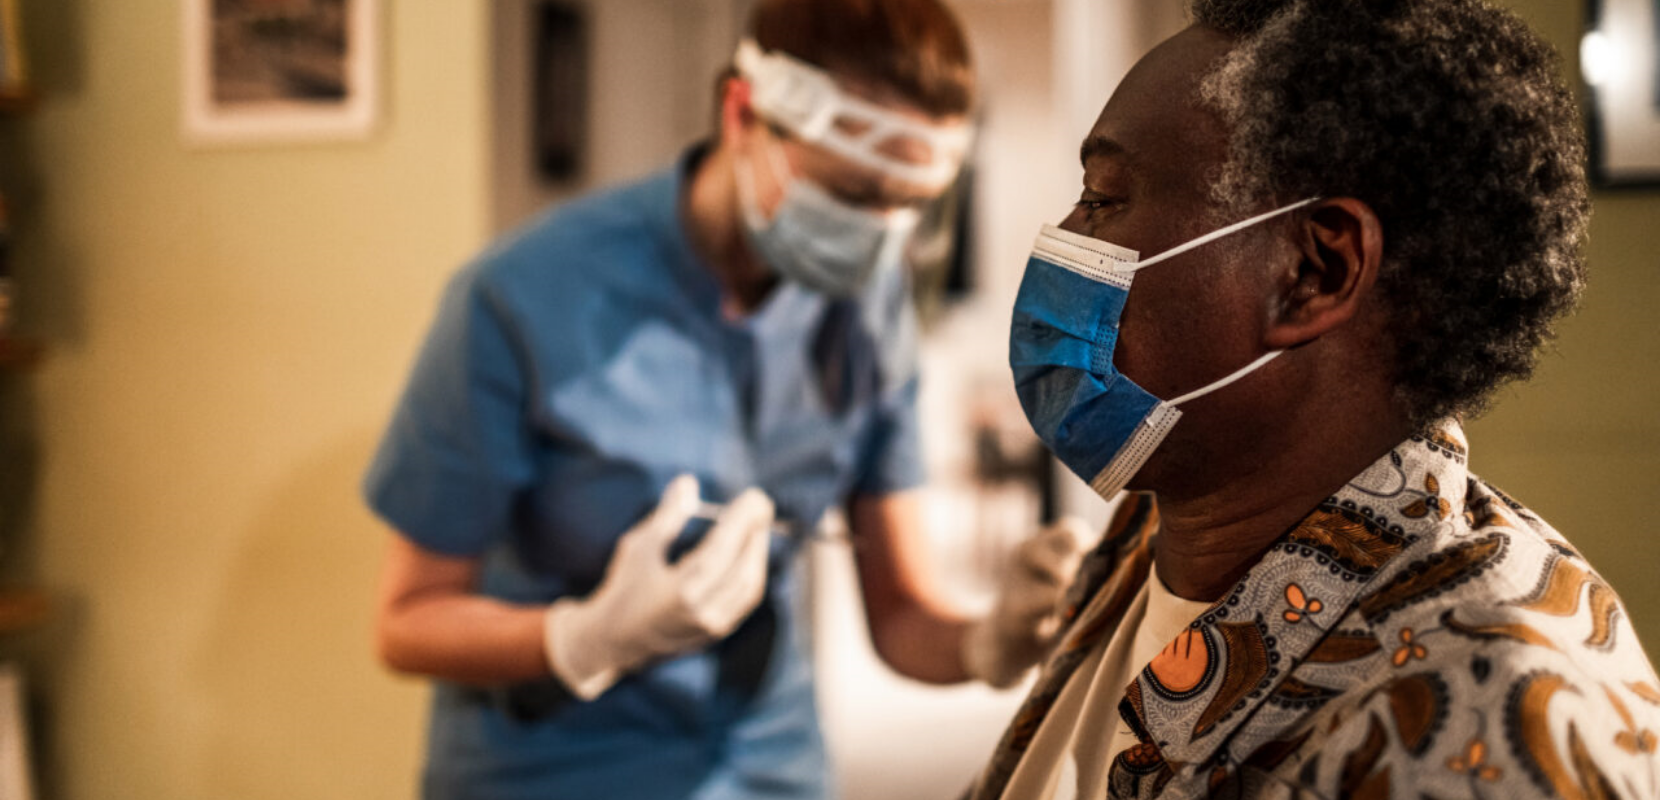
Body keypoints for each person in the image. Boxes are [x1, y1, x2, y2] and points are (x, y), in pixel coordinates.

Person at [365, 1, 1088, 798]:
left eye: (913, 203)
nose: (882, 235)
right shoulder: (521, 300)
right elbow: (408, 622)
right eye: (850, 193)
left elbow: (901, 618)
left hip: (770, 769)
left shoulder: (865, 305)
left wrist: (990, 638)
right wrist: (583, 637)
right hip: (556, 771)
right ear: (743, 112)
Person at [970, 0, 1660, 798]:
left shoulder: (1484, 727)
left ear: (1314, 272)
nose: (1066, 232)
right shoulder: (1151, 534)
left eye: (1103, 197)